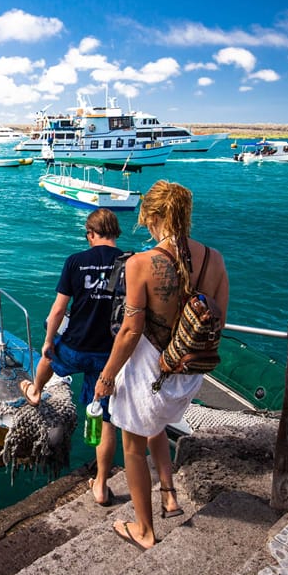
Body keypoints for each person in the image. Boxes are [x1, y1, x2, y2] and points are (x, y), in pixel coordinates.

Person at [94, 180, 229, 551]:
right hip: (188, 375)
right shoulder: (214, 260)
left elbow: (130, 330)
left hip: (150, 376)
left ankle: (145, 530)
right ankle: (169, 495)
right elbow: (219, 320)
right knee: (156, 428)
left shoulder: (140, 264)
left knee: (133, 447)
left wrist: (106, 377)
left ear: (152, 216)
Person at [19, 208, 124, 506]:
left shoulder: (76, 262)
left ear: (90, 234)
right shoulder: (131, 263)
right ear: (115, 232)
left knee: (50, 357)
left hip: (76, 346)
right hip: (109, 355)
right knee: (105, 421)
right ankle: (101, 487)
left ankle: (36, 391)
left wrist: (48, 340)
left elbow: (57, 311)